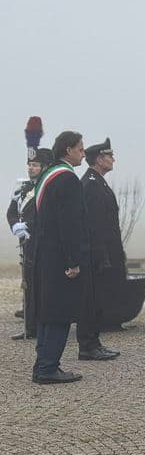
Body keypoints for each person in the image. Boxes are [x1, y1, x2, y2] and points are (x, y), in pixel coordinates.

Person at [31, 131, 87, 384]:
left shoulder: (46, 176)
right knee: (59, 313)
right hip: (60, 258)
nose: (83, 153)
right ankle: (48, 368)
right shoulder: (68, 180)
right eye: (80, 149)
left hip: (44, 254)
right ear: (68, 150)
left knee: (46, 312)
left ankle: (42, 363)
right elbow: (70, 225)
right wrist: (72, 261)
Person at [77, 138, 122, 361]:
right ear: (98, 159)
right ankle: (87, 345)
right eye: (109, 156)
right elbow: (94, 226)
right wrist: (102, 255)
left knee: (98, 300)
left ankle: (94, 342)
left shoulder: (98, 182)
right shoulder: (91, 184)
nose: (113, 159)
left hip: (103, 252)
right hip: (96, 255)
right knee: (90, 301)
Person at [7, 143, 54, 339]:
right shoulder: (21, 188)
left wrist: (30, 228)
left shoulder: (47, 187)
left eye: (35, 165)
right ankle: (30, 326)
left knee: (42, 285)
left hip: (42, 243)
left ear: (44, 167)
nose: (31, 168)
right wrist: (15, 226)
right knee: (28, 284)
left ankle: (44, 325)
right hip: (26, 244)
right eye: (30, 165)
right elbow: (11, 213)